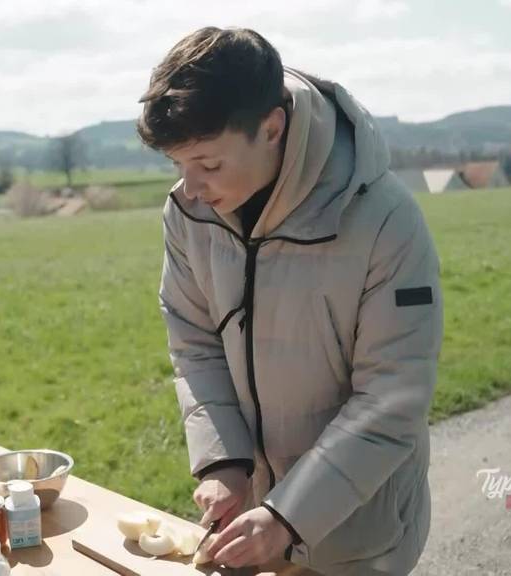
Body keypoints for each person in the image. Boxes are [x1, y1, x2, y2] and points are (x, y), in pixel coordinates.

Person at [139, 28, 443, 575]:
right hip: (257, 525)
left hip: (361, 536)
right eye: (178, 165)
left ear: (272, 128)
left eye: (208, 164)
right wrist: (225, 461)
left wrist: (288, 516)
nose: (190, 188)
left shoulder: (386, 221)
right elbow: (195, 342)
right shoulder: (189, 213)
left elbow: (393, 396)